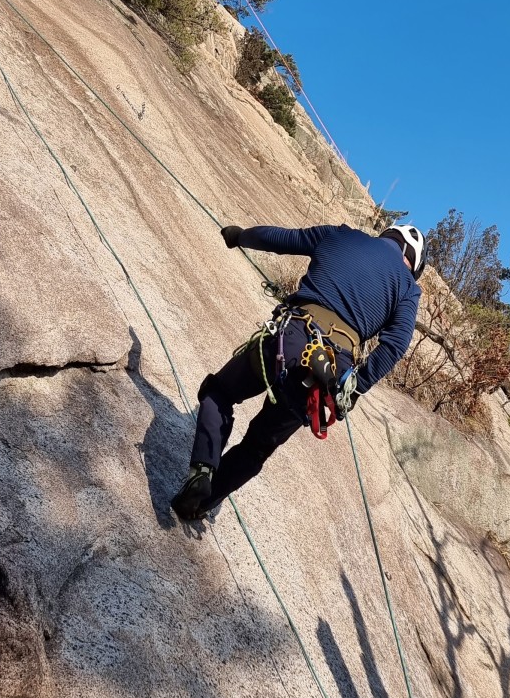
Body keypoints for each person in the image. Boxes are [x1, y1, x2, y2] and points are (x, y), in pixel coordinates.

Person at [170, 221, 426, 524]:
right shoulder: (408, 288)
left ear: (387, 235)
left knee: (220, 392)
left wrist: (240, 236)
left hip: (291, 337)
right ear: (412, 262)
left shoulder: (341, 235)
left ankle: (202, 470)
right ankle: (200, 504)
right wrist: (355, 387)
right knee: (258, 446)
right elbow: (395, 344)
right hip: (329, 373)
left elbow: (280, 239)